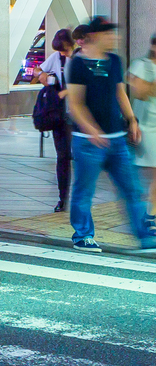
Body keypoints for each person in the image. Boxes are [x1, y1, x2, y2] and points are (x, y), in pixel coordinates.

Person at [64, 16, 156, 252]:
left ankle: (144, 236)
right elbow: (75, 104)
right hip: (87, 142)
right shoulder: (78, 64)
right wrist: (91, 130)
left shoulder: (114, 61)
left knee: (132, 189)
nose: (115, 38)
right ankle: (82, 236)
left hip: (116, 140)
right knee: (85, 190)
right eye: (109, 34)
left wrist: (131, 119)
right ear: (94, 37)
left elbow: (120, 92)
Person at [35, 27, 78, 212]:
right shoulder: (56, 58)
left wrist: (67, 91)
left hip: (81, 114)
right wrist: (41, 75)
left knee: (82, 156)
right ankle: (63, 197)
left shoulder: (81, 58)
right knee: (63, 157)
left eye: (66, 49)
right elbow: (38, 71)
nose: (63, 53)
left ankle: (79, 197)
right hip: (61, 115)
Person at [129, 32, 156, 210]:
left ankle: (150, 213)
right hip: (146, 129)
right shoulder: (141, 65)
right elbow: (138, 92)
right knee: (138, 174)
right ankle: (147, 212)